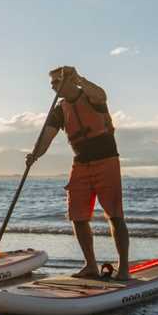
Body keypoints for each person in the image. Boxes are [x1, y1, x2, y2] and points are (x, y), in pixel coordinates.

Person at [26, 66, 130, 280]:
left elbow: (103, 95)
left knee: (115, 215)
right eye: (51, 84)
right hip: (81, 164)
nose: (53, 87)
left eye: (57, 82)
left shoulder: (91, 96)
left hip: (106, 160)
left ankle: (124, 268)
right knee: (77, 216)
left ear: (70, 80)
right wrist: (35, 155)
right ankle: (90, 266)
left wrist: (80, 78)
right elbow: (46, 137)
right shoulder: (59, 110)